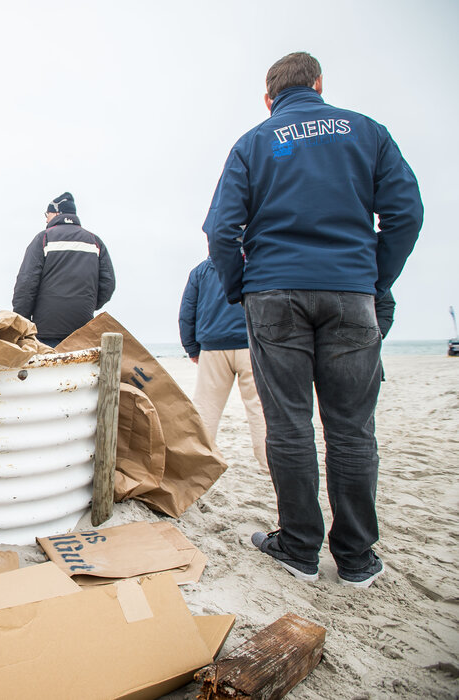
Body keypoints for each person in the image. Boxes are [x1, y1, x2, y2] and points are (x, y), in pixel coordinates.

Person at [204, 52, 422, 588]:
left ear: (268, 96)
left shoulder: (254, 142)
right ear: (320, 84)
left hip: (275, 293)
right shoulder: (367, 132)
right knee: (351, 430)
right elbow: (406, 213)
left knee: (289, 425)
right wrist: (374, 279)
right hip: (350, 290)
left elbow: (220, 230)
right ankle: (356, 558)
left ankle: (300, 548)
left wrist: (240, 287)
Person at [179, 255, 267, 469]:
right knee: (260, 408)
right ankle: (269, 463)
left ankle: (197, 465)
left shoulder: (201, 271)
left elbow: (186, 313)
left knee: (206, 409)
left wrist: (191, 347)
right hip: (251, 345)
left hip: (213, 346)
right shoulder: (256, 264)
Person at [12, 192, 115, 347]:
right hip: (82, 329)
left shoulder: (44, 239)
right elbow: (108, 285)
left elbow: (26, 283)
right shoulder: (95, 242)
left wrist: (22, 323)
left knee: (49, 371)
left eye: (47, 214)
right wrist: (87, 305)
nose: (46, 219)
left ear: (57, 213)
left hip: (45, 331)